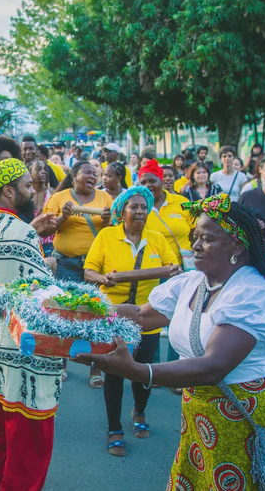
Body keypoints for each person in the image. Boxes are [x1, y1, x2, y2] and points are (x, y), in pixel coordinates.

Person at [75, 195, 265, 490]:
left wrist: (137, 371)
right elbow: (143, 315)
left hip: (246, 418)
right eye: (196, 237)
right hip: (202, 413)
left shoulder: (252, 294)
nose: (195, 245)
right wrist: (87, 312)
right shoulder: (193, 282)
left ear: (237, 246)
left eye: (206, 239)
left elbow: (213, 367)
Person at [0, 158, 62, 491]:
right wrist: (49, 260)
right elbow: (42, 289)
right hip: (21, 345)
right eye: (26, 186)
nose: (31, 191)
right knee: (27, 436)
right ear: (8, 190)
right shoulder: (22, 232)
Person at [83, 187, 180, 457]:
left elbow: (173, 269)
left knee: (143, 373)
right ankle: (114, 429)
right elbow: (89, 270)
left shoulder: (157, 239)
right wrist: (102, 279)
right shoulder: (106, 236)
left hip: (148, 317)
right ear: (121, 212)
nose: (139, 211)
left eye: (143, 207)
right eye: (133, 207)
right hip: (113, 316)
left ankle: (139, 411)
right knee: (114, 373)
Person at [44, 160, 112, 387]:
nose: (93, 177)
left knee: (96, 314)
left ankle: (96, 368)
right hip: (66, 264)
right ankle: (61, 364)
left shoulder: (105, 198)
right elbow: (46, 229)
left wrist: (108, 221)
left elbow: (112, 231)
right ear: (75, 176)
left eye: (96, 173)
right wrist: (63, 216)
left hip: (95, 266)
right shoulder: (59, 198)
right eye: (88, 172)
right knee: (64, 312)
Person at [139, 161, 192, 267]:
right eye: (143, 182)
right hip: (150, 268)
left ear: (161, 181)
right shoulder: (137, 206)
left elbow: (195, 232)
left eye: (152, 181)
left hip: (182, 267)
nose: (148, 185)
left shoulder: (182, 202)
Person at [30, 159, 55, 256]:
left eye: (45, 169)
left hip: (50, 243)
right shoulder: (27, 194)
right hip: (33, 243)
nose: (43, 172)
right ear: (30, 172)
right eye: (39, 169)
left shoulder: (52, 192)